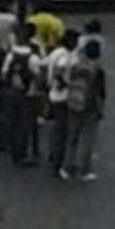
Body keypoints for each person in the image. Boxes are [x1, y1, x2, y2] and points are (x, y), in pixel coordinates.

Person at [62, 32, 106, 181]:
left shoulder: (76, 66)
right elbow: (101, 92)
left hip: (73, 103)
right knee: (87, 139)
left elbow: (68, 81)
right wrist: (101, 109)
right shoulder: (98, 70)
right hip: (90, 107)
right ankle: (84, 170)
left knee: (72, 138)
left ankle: (67, 167)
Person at [0, 23, 42, 167]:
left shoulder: (11, 55)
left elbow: (4, 74)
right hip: (28, 94)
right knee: (24, 124)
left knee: (13, 122)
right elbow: (38, 77)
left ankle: (14, 151)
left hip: (12, 93)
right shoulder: (33, 57)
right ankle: (22, 153)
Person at [44, 28, 78, 177]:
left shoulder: (55, 52)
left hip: (52, 94)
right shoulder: (64, 55)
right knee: (62, 132)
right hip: (61, 97)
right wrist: (65, 84)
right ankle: (58, 165)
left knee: (55, 128)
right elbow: (59, 69)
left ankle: (53, 155)